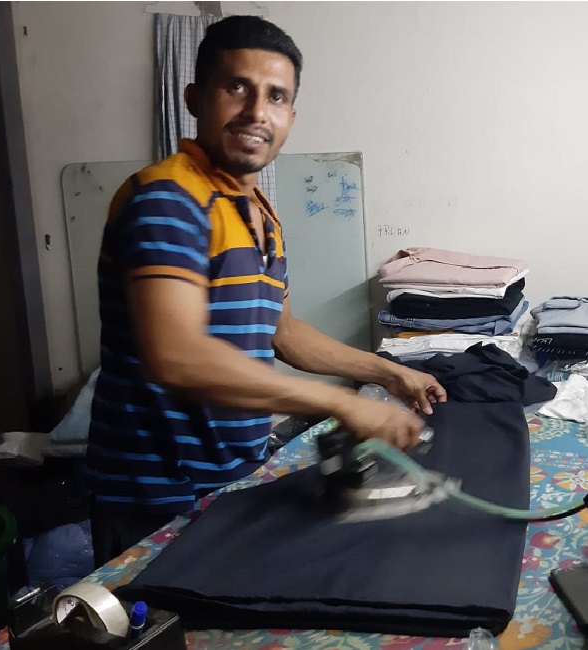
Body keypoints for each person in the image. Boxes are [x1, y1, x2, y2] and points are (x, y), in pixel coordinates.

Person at [87, 15, 446, 565]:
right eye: (237, 87)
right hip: (154, 499)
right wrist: (340, 403)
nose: (257, 112)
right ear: (194, 98)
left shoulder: (258, 211)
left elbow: (281, 331)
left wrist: (385, 372)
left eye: (276, 96)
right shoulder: (167, 199)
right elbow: (177, 357)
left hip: (229, 481)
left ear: (291, 116)